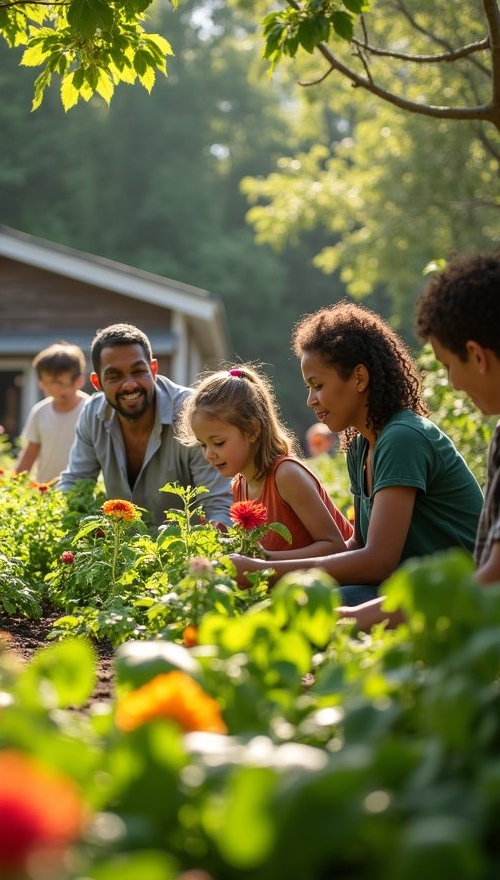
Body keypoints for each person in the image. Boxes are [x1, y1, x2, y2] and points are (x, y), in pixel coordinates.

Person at [230, 300, 483, 601]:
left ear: (360, 378)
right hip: (410, 589)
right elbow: (357, 546)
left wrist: (265, 572)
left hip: (462, 595)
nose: (311, 399)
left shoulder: (402, 438)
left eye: (318, 384)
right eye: (307, 388)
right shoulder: (360, 447)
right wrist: (265, 562)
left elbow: (378, 561)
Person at [339, 251, 500, 630]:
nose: (455, 384)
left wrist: (349, 619)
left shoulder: (403, 437)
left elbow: (490, 581)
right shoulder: (360, 445)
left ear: (476, 355)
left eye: (448, 366)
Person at [57, 323, 233, 530]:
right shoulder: (92, 414)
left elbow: (219, 504)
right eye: (114, 376)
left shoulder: (192, 413)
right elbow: (76, 484)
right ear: (97, 383)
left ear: (153, 369)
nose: (130, 384)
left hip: (187, 553)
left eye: (138, 371)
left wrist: (210, 549)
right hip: (119, 553)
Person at [177, 364, 353, 557]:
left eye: (218, 443)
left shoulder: (286, 475)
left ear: (252, 430)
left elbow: (336, 547)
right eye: (203, 445)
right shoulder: (239, 485)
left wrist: (264, 562)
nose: (209, 454)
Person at [15, 341, 90, 484]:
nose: (54, 389)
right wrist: (14, 487)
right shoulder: (40, 411)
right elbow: (30, 453)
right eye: (48, 383)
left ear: (79, 381)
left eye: (60, 382)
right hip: (46, 490)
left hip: (81, 491)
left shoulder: (90, 410)